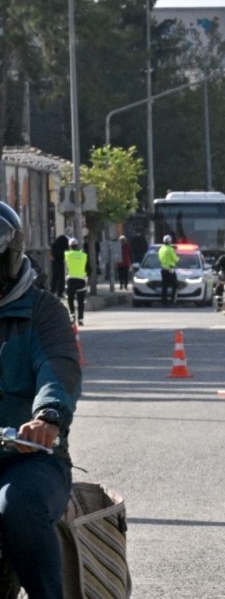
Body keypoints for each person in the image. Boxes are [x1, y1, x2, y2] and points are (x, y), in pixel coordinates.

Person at [0, 201, 82, 599]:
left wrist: (48, 417)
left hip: (28, 457)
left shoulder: (43, 312)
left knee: (18, 505)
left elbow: (58, 368)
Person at [64, 237, 89, 326]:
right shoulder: (83, 255)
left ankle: (72, 315)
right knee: (81, 301)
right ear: (77, 245)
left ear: (70, 246)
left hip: (71, 280)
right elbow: (88, 268)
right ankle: (81, 319)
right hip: (81, 280)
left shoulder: (67, 254)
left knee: (70, 298)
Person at [157, 235, 179, 306]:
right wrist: (178, 258)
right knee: (175, 285)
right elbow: (175, 259)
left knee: (164, 286)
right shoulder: (170, 249)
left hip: (163, 269)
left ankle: (164, 302)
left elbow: (160, 258)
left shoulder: (161, 249)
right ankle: (173, 301)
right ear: (170, 241)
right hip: (170, 269)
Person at [50, 232, 69, 298]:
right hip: (61, 261)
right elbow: (66, 252)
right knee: (61, 277)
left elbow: (51, 254)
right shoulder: (65, 243)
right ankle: (60, 292)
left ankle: (52, 290)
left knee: (55, 277)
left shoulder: (54, 244)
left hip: (55, 262)